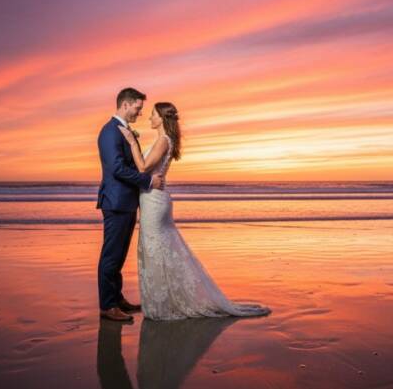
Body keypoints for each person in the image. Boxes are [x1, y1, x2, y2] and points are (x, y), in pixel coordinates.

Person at [119, 101, 270, 320]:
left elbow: (143, 168)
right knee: (158, 249)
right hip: (152, 199)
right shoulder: (164, 140)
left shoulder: (163, 140)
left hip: (154, 202)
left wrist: (132, 141)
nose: (149, 118)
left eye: (152, 115)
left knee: (156, 250)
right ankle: (165, 299)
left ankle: (165, 303)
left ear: (161, 118)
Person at [96, 87, 163, 322]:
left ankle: (117, 298)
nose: (140, 112)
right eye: (137, 107)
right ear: (125, 104)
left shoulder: (122, 131)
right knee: (111, 255)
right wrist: (148, 181)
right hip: (115, 202)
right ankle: (107, 306)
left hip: (126, 202)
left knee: (120, 255)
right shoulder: (110, 132)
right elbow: (117, 169)